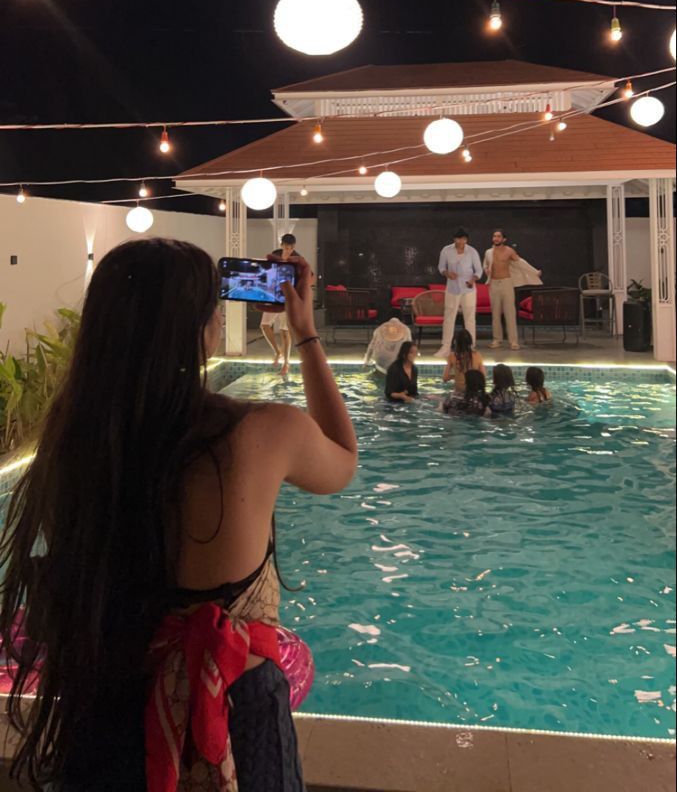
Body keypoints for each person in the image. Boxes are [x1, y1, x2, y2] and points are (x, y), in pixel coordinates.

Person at [0, 238, 357, 792]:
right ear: (199, 329)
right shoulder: (262, 432)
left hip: (105, 703)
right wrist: (305, 331)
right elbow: (342, 461)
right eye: (211, 304)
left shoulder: (74, 443)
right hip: (237, 714)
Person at [483, 230, 542, 351]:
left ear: (503, 239)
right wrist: (486, 270)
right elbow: (485, 265)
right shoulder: (488, 252)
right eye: (494, 236)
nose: (496, 238)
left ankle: (513, 341)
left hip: (506, 282)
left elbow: (521, 263)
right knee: (495, 314)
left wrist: (535, 271)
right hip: (494, 283)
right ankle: (496, 339)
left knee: (510, 313)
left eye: (498, 236)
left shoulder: (509, 251)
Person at [435, 227, 483, 357]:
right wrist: (447, 273)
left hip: (468, 288)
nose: (459, 242)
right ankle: (445, 347)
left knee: (470, 318)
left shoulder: (472, 251)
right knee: (449, 317)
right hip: (452, 288)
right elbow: (441, 267)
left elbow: (479, 271)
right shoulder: (446, 250)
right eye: (457, 239)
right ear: (454, 239)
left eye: (462, 239)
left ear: (466, 240)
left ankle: (471, 346)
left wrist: (473, 279)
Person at [260, 232, 298, 376]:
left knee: (284, 330)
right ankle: (277, 352)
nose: (288, 250)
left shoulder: (296, 259)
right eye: (286, 247)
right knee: (264, 325)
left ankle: (286, 363)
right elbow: (267, 272)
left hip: (287, 298)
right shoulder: (275, 255)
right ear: (282, 245)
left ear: (294, 247)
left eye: (291, 248)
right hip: (273, 295)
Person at [442, 328, 487, 394]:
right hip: (473, 392)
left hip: (459, 392)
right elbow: (483, 375)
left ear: (455, 342)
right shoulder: (477, 355)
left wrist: (455, 376)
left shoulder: (452, 356)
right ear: (470, 342)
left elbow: (445, 378)